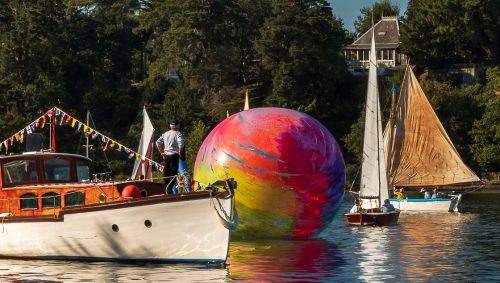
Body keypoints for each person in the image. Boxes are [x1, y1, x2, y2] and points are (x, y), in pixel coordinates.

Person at [156, 119, 185, 194]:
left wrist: (162, 153)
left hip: (166, 156)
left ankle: (166, 190)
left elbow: (158, 142)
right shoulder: (178, 134)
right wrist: (180, 153)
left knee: (166, 173)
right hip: (174, 156)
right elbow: (181, 144)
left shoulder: (165, 134)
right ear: (178, 126)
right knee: (173, 173)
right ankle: (169, 189)